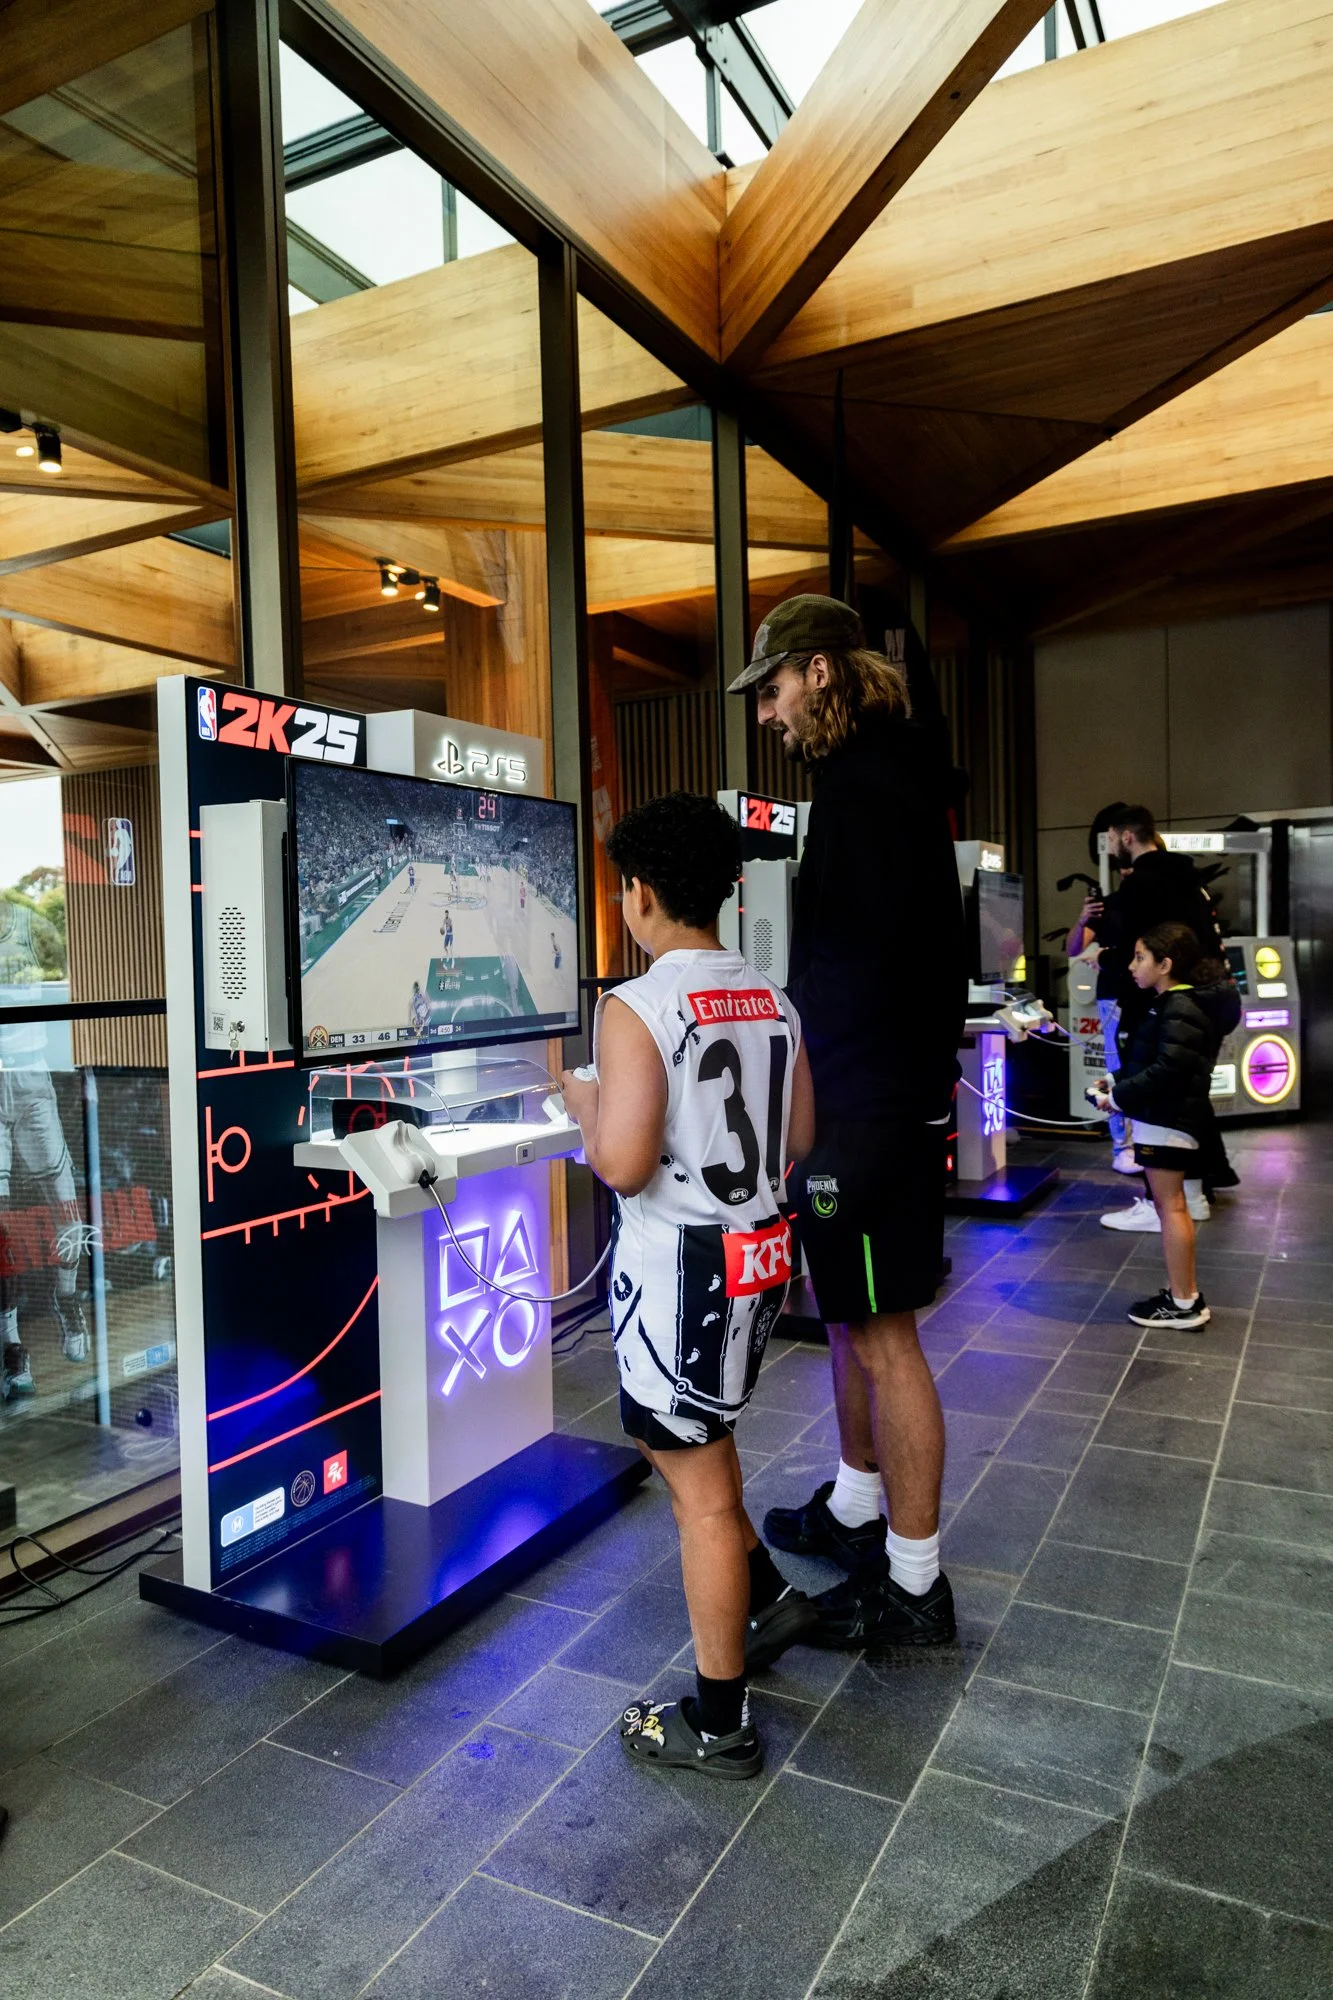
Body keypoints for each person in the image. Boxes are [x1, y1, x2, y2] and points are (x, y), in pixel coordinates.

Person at [727, 594, 967, 1657]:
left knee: (883, 1336)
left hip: (862, 1110)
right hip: (872, 1100)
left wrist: (802, 1094)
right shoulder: (879, 777)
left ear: (819, 672)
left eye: (773, 689)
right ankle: (858, 1504)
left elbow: (856, 971)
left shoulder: (866, 789)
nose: (767, 713)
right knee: (847, 1320)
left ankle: (913, 1584)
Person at [561, 791, 816, 1779]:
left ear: (638, 892)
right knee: (688, 1447)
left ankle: (719, 1721)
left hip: (680, 1275)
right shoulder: (773, 996)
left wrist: (584, 1102)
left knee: (700, 1493)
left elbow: (624, 1165)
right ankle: (767, 1597)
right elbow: (797, 1135)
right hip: (756, 1256)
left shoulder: (635, 1004)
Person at [1096, 806, 1234, 1232]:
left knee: (1163, 1097)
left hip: (1174, 1001)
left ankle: (1169, 1202)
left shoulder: (1145, 884)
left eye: (1110, 838)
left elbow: (1158, 1079)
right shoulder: (1187, 879)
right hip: (1211, 994)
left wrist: (1108, 958)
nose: (1134, 965)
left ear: (1125, 835)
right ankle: (1192, 1194)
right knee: (1188, 1095)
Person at [1092, 921, 1225, 1329]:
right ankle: (1184, 1296)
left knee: (1171, 1207)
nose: (1132, 966)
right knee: (1171, 1206)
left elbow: (1169, 1069)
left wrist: (1118, 1097)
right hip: (1164, 1118)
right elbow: (1153, 1061)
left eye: (1140, 958)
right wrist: (1115, 1082)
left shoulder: (1179, 1006)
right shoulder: (1170, 1003)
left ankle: (1184, 1303)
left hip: (1168, 1120)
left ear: (1165, 964)